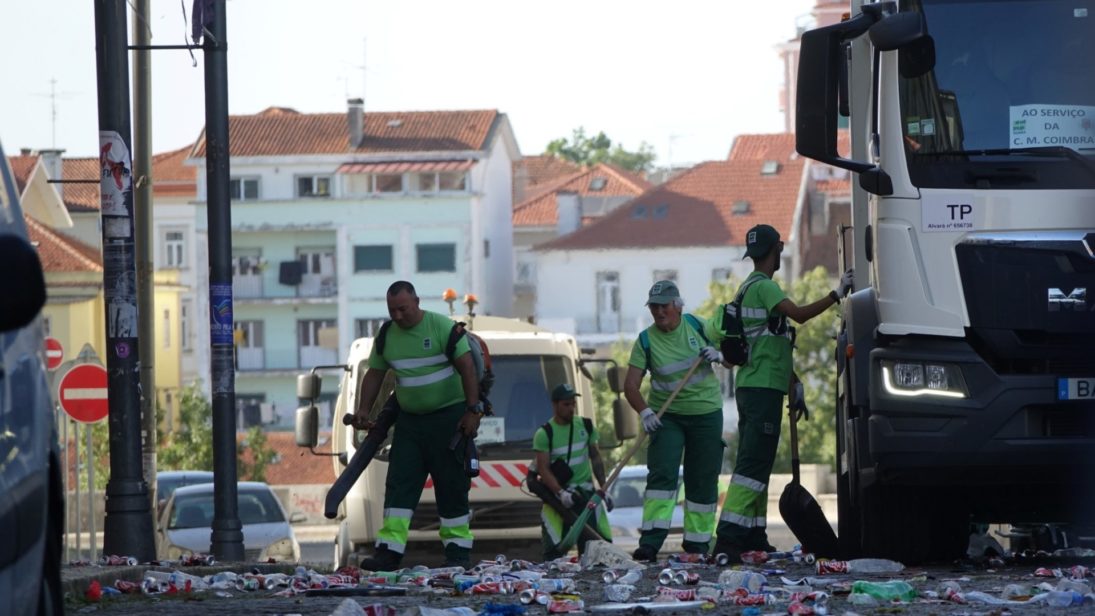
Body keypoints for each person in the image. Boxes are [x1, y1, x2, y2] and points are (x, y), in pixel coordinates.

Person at [709, 224, 852, 561]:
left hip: (756, 386)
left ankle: (754, 535)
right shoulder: (764, 288)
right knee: (752, 466)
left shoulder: (747, 289)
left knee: (758, 465)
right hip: (762, 390)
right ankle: (729, 537)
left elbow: (774, 345)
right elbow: (799, 316)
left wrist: (794, 383)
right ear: (779, 249)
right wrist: (837, 294)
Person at [350, 280, 483, 570]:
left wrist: (473, 411)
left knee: (451, 486)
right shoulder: (386, 335)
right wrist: (362, 409)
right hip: (410, 424)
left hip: (449, 420)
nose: (397, 316)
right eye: (392, 310)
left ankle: (457, 554)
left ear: (417, 302)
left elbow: (467, 369)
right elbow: (375, 373)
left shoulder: (441, 328)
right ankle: (389, 552)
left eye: (403, 309)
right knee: (400, 484)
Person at [623, 280, 725, 562]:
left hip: (705, 414)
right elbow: (630, 385)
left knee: (702, 478)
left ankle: (698, 544)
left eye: (663, 305)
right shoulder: (645, 340)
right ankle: (651, 542)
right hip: (665, 417)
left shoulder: (698, 326)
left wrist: (720, 355)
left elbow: (734, 357)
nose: (658, 311)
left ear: (677, 306)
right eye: (653, 307)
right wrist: (645, 412)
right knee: (661, 477)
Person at [531, 383, 612, 560]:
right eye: (566, 405)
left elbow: (596, 458)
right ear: (555, 405)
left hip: (586, 496)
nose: (571, 408)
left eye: (573, 404)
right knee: (553, 551)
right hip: (559, 498)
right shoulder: (545, 434)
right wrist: (560, 493)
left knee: (596, 549)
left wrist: (604, 488)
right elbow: (543, 469)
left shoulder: (586, 426)